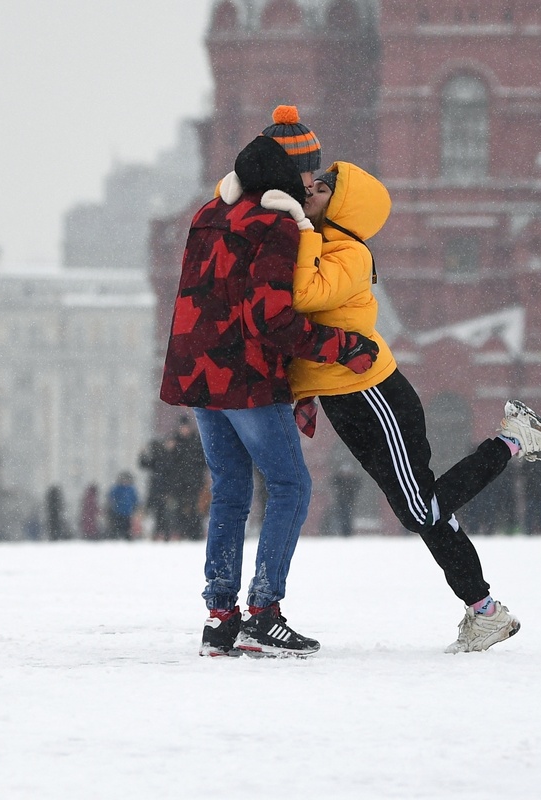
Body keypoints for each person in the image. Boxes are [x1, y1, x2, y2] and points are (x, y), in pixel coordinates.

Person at [250, 158, 541, 652]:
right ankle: (484, 610)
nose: (312, 187)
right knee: (426, 512)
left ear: (344, 205)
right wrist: (307, 394)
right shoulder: (320, 243)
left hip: (372, 395)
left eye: (324, 186)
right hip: (348, 400)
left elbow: (303, 294)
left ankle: (511, 441)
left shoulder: (347, 252)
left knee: (421, 509)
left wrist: (298, 226)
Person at [160, 133, 379, 658]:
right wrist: (341, 346)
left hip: (198, 371)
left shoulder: (208, 213)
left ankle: (220, 617)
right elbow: (271, 318)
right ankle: (264, 611)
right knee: (290, 486)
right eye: (305, 176)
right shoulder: (276, 224)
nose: (310, 186)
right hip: (247, 375)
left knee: (230, 490)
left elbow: (204, 294)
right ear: (284, 179)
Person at [330, 458, 362, 536]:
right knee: (342, 515)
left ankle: (347, 531)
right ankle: (343, 530)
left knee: (348, 515)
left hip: (350, 500)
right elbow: (333, 483)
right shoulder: (339, 480)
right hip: (341, 500)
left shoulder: (353, 480)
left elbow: (358, 485)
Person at [522, 459, 541, 535]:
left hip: (532, 491)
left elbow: (522, 473)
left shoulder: (528, 461)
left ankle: (530, 530)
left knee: (531, 512)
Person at [106, 472, 140, 540]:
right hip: (118, 511)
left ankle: (127, 537)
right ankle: (116, 537)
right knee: (117, 525)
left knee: (127, 526)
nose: (125, 481)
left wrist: (136, 507)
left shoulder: (131, 489)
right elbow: (111, 497)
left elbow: (135, 499)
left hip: (128, 512)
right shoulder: (117, 488)